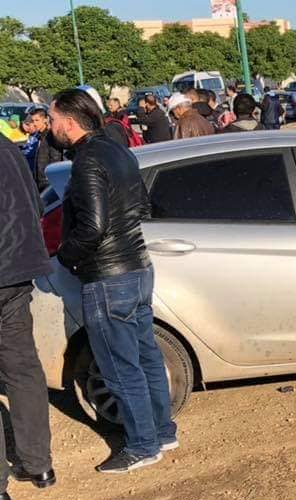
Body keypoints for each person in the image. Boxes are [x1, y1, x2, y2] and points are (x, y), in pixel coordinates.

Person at [50, 89, 178, 473]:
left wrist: (66, 258)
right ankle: (163, 432)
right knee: (146, 357)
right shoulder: (118, 151)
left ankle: (142, 445)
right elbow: (142, 206)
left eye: (52, 119)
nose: (50, 126)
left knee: (122, 368)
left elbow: (92, 226)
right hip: (137, 268)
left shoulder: (88, 161)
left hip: (110, 277)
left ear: (68, 123)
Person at [0, 134, 58, 500]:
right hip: (15, 274)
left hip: (13, 272)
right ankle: (39, 465)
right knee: (23, 369)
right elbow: (35, 203)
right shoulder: (9, 150)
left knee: (22, 370)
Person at [21, 107, 66, 191]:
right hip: (38, 181)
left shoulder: (50, 136)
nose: (34, 124)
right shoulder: (39, 135)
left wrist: (49, 179)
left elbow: (56, 160)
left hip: (47, 183)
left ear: (45, 120)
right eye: (33, 121)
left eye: (37, 120)